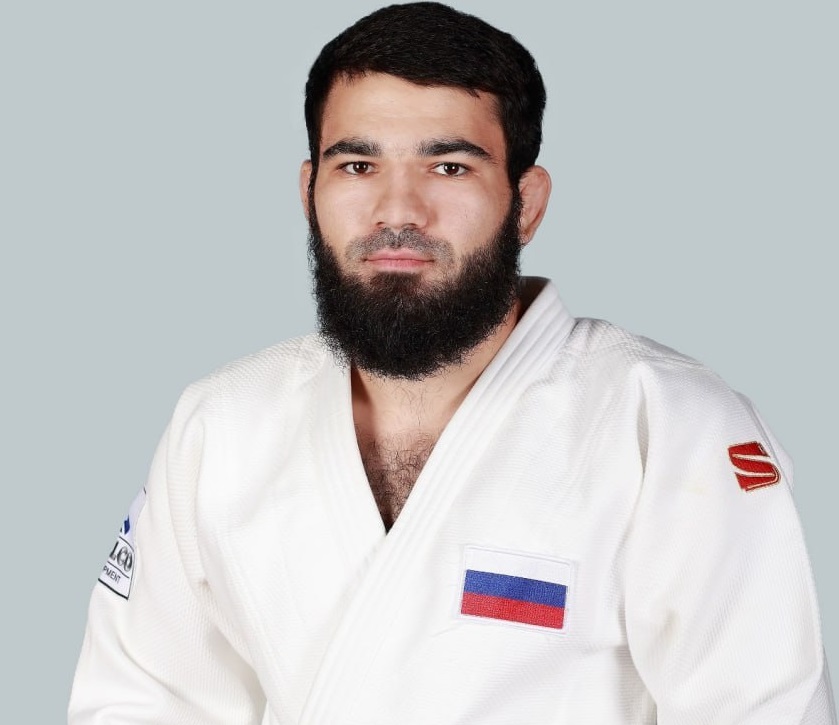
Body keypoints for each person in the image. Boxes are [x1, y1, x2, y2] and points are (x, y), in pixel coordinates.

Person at [68, 3, 835, 723]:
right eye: (357, 166)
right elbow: (139, 699)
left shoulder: (668, 424)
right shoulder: (223, 422)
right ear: (309, 192)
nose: (398, 211)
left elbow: (760, 708)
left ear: (525, 203)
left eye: (449, 167)